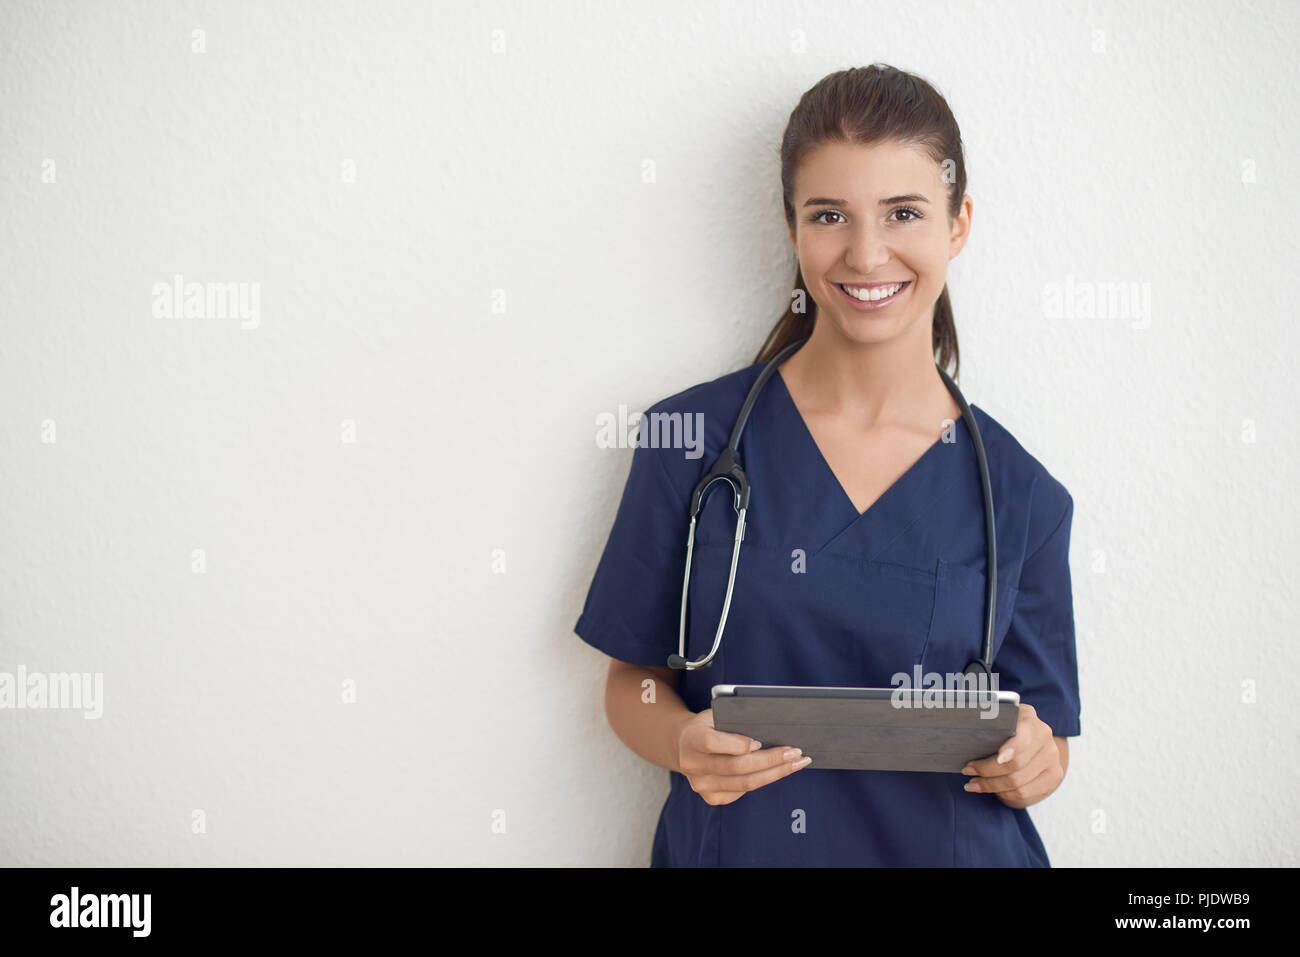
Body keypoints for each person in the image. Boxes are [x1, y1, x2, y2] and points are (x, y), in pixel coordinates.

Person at [574, 64, 1080, 867]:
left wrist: (1035, 764)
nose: (867, 252)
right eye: (830, 215)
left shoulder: (1021, 495)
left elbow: (1044, 745)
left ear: (958, 225)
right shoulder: (690, 441)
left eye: (904, 212)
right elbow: (630, 681)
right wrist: (681, 740)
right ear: (791, 227)